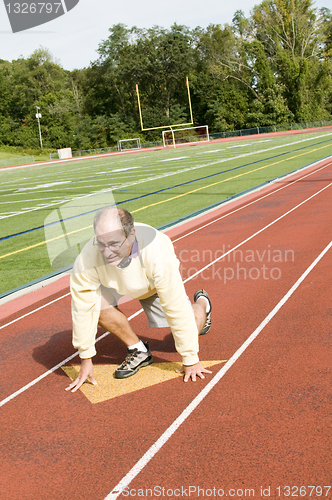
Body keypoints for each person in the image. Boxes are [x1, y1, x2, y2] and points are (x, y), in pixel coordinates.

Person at [66, 207, 212, 393]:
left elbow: (175, 307)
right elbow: (83, 306)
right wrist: (85, 357)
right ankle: (138, 350)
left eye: (114, 243)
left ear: (131, 234)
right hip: (114, 284)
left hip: (151, 285)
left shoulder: (156, 249)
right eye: (101, 243)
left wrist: (190, 358)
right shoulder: (87, 258)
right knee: (95, 304)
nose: (107, 252)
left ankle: (202, 304)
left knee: (188, 331)